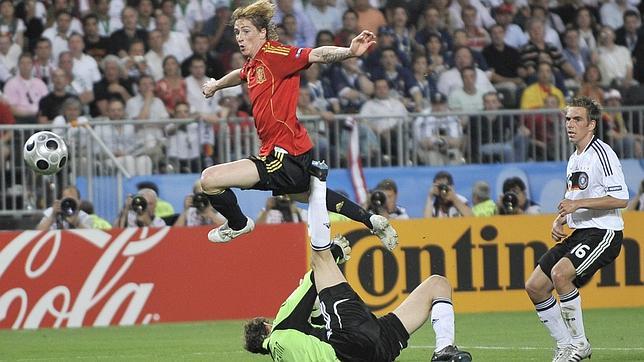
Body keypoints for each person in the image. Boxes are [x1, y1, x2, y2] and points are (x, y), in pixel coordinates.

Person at [200, 0, 397, 250]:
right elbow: (240, 74)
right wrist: (217, 85)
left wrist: (349, 51)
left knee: (209, 180)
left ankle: (238, 224)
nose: (240, 37)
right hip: (290, 152)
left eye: (246, 31)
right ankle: (372, 220)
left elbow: (315, 54)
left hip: (283, 156)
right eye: (237, 32)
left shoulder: (276, 54)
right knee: (312, 195)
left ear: (262, 33)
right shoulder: (255, 62)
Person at [243, 162, 472, 362]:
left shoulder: (287, 352)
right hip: (352, 340)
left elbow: (318, 321)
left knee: (436, 285)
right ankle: (318, 184)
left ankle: (443, 355)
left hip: (373, 350)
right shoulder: (281, 326)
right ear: (266, 326)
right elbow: (312, 279)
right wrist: (334, 253)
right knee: (320, 258)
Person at [524, 96, 629, 362]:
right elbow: (573, 201)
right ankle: (565, 344)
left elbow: (621, 198)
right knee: (535, 285)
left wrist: (577, 204)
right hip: (581, 231)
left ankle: (580, 345)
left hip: (604, 232)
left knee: (560, 275)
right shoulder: (574, 159)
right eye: (568, 119)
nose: (570, 124)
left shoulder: (603, 154)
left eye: (577, 119)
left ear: (591, 124)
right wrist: (560, 220)